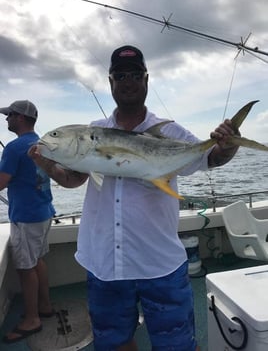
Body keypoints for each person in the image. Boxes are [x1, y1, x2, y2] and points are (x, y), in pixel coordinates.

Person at [29, 45, 240, 351]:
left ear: (146, 79)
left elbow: (211, 158)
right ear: (111, 82)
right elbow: (73, 179)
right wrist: (44, 158)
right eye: (120, 75)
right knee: (115, 343)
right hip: (105, 262)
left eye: (135, 75)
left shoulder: (172, 132)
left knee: (177, 345)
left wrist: (228, 146)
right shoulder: (94, 131)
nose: (128, 81)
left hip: (159, 262)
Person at [0, 100, 55, 344]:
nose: (6, 119)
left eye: (9, 115)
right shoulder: (43, 143)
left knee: (25, 267)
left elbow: (1, 182)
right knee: (37, 261)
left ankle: (32, 318)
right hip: (44, 212)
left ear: (20, 117)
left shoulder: (13, 148)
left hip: (25, 217)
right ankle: (44, 306)